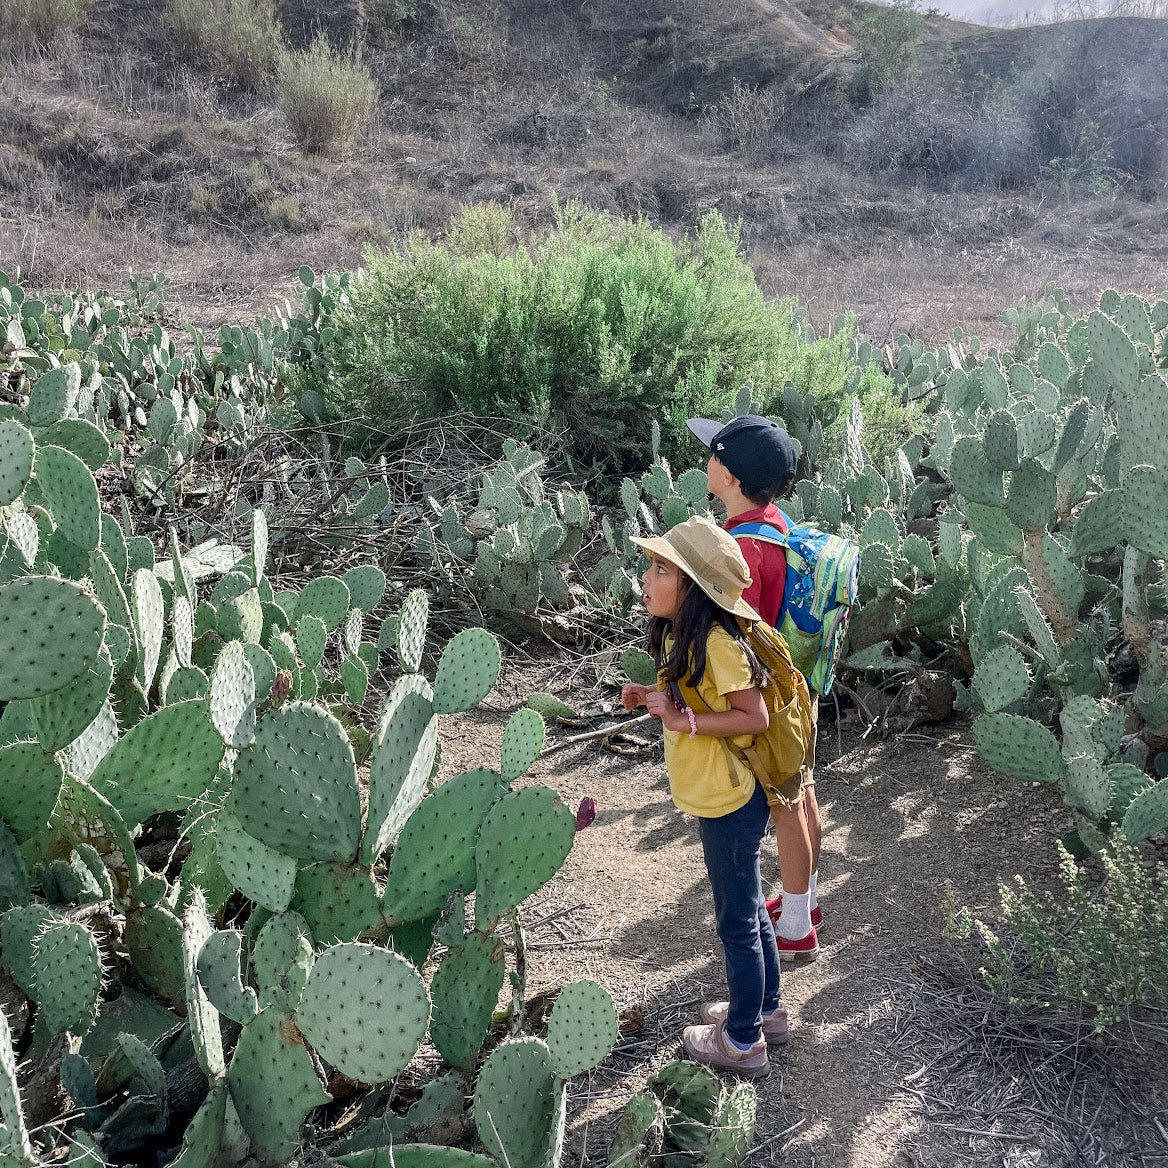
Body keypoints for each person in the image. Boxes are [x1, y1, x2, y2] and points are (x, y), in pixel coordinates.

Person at [621, 516, 788, 1079]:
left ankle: (743, 1040)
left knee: (736, 919)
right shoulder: (681, 636)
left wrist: (682, 720)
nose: (648, 576)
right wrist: (654, 695)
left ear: (693, 587)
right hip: (719, 794)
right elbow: (691, 697)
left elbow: (753, 715)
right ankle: (766, 1011)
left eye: (661, 568)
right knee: (749, 908)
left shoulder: (718, 642)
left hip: (734, 799)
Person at [686, 414, 822, 963]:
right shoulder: (775, 522)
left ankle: (795, 928)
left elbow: (731, 626)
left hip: (764, 695)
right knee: (803, 793)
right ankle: (803, 904)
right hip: (796, 685)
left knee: (785, 804)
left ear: (731, 473)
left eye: (713, 452)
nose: (707, 460)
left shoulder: (740, 548)